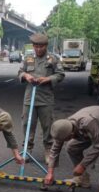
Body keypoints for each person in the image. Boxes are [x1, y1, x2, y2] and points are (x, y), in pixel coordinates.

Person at [18, 33, 65, 164]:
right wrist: (26, 76)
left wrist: (48, 79)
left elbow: (60, 75)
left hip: (46, 98)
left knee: (47, 126)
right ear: (33, 46)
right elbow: (20, 72)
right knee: (27, 125)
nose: (38, 49)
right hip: (29, 98)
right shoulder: (28, 59)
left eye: (41, 47)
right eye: (36, 46)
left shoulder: (53, 59)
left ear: (46, 46)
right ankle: (27, 150)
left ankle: (49, 150)